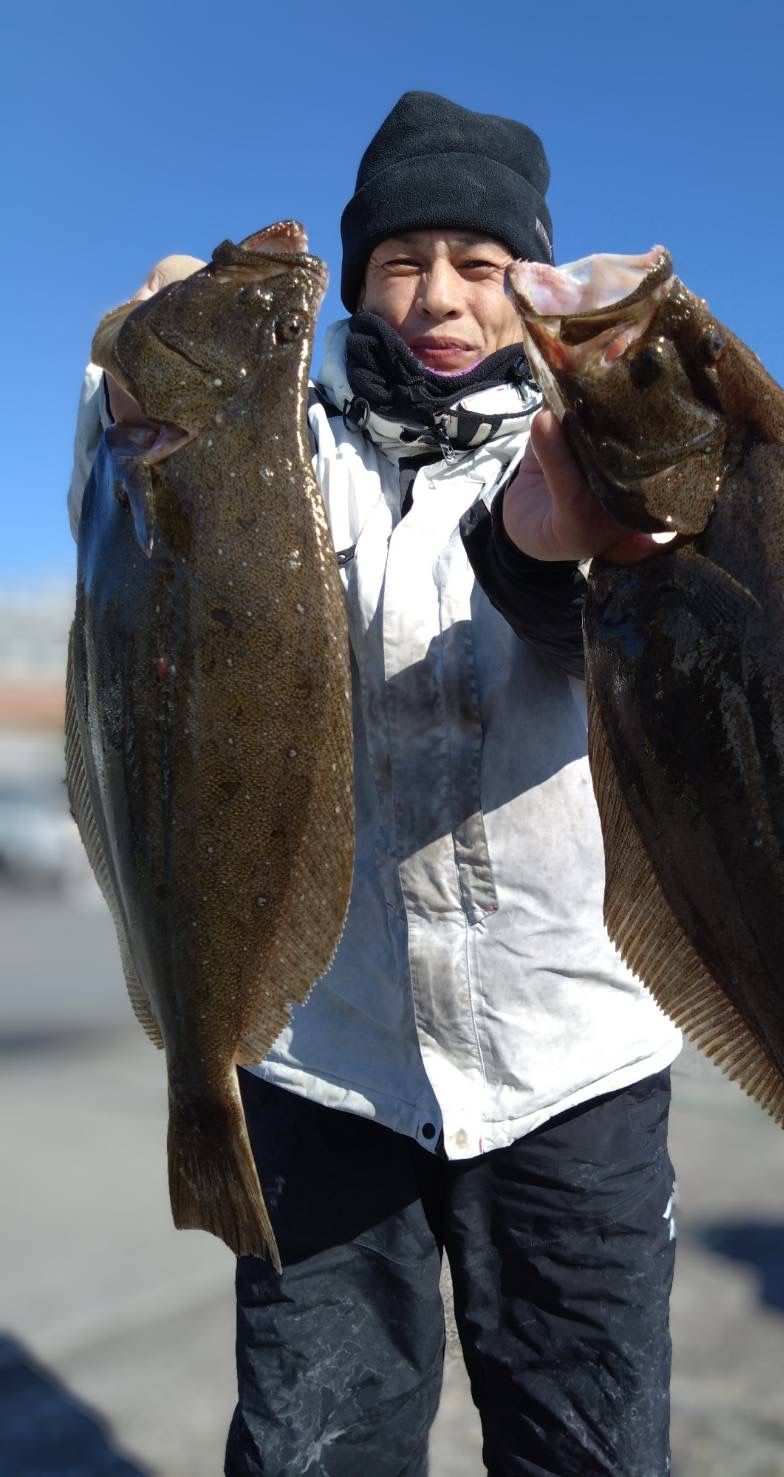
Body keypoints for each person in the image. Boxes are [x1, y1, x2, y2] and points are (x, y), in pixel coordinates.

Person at [69, 92, 682, 1477]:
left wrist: (551, 555)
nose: (439, 297)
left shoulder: (595, 442)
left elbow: (655, 644)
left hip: (569, 1059)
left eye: (480, 262)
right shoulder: (271, 433)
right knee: (314, 1445)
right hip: (322, 1054)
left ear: (531, 283)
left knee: (588, 1448)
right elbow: (123, 509)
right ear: (356, 281)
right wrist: (135, 358)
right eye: (403, 261)